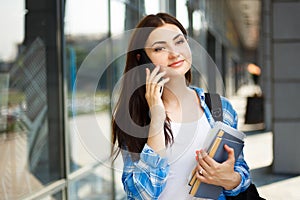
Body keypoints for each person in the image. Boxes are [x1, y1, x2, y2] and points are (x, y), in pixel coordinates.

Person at [111, 13, 251, 200]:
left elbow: (240, 172)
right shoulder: (134, 117)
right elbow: (139, 195)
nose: (174, 53)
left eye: (179, 42)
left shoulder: (221, 108)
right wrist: (157, 120)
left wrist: (230, 178)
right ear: (142, 59)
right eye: (160, 48)